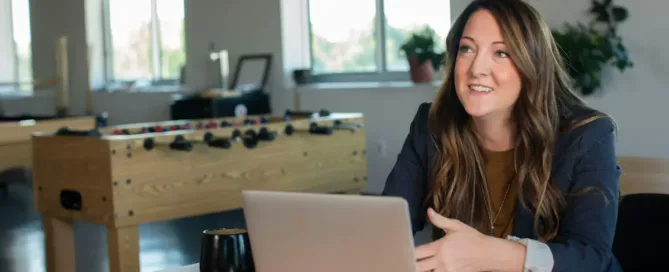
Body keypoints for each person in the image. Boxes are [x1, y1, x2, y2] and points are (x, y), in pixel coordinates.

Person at [381, 0, 622, 271]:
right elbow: (386, 228)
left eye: (501, 53)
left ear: (532, 64)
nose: (476, 69)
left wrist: (490, 253)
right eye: (467, 49)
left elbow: (591, 258)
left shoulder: (587, 134)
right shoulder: (432, 124)